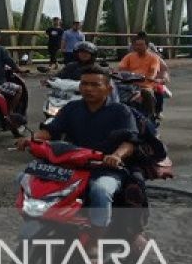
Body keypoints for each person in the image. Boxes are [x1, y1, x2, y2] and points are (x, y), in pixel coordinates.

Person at [16, 65, 139, 240]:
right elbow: (51, 131)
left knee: (100, 190)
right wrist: (32, 139)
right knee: (24, 177)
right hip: (71, 165)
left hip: (104, 167)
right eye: (84, 84)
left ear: (109, 88)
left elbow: (130, 141)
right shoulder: (71, 108)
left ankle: (96, 239)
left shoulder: (121, 112)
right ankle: (46, 219)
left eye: (95, 85)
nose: (88, 89)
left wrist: (116, 156)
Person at [118, 32, 167, 118]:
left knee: (147, 93)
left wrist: (151, 78)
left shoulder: (154, 57)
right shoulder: (129, 56)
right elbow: (121, 69)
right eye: (136, 45)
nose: (138, 47)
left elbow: (154, 72)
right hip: (130, 83)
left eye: (141, 45)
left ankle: (151, 116)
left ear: (147, 46)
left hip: (146, 84)